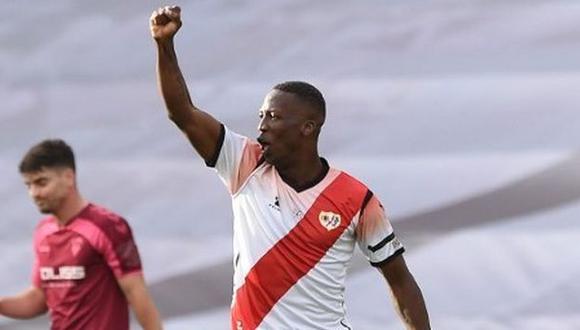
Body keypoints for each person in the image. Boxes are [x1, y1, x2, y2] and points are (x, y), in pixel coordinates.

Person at [150, 5, 430, 330]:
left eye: (274, 116)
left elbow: (400, 280)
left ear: (308, 127)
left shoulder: (356, 199)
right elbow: (182, 113)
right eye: (261, 116)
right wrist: (163, 44)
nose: (262, 126)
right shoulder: (245, 164)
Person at [0, 139, 163, 330]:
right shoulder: (43, 232)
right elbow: (39, 298)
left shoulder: (108, 226)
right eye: (28, 185)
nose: (34, 193)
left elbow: (136, 292)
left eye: (41, 182)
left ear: (69, 177)